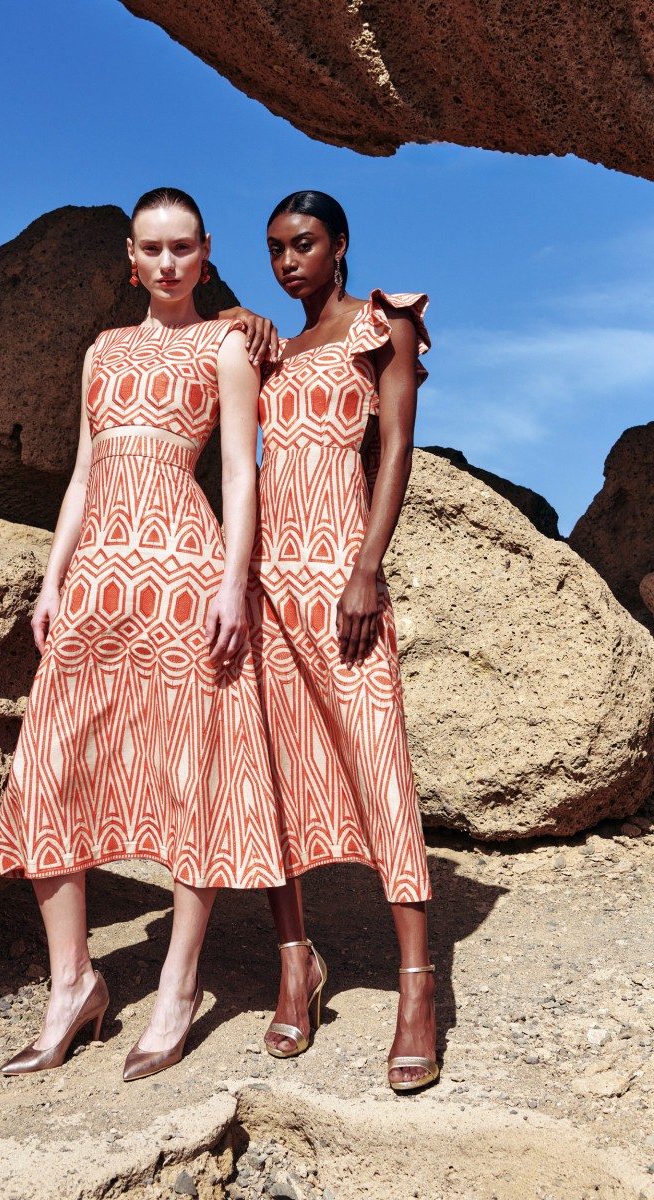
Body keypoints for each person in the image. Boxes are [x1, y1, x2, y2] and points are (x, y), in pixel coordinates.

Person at [0, 187, 285, 1077]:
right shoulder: (102, 351)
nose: (166, 262)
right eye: (151, 248)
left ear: (204, 253)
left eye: (182, 247)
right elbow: (81, 476)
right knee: (50, 768)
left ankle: (177, 984)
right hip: (94, 587)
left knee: (189, 770)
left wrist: (234, 585)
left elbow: (241, 474)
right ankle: (73, 983)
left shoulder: (226, 343)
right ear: (130, 255)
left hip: (186, 578)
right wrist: (52, 581)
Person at [250, 190, 438, 1093]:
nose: (290, 261)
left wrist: (368, 565)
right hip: (265, 588)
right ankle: (297, 964)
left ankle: (416, 988)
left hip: (341, 580)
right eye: (278, 248)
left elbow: (395, 446)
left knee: (378, 766)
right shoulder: (274, 353)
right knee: (275, 774)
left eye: (306, 244)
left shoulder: (383, 324)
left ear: (341, 245)